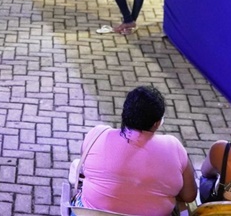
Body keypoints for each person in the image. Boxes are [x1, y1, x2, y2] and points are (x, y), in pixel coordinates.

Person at [75, 85, 197, 215]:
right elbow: (189, 196)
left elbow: (85, 167)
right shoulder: (174, 147)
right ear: (156, 123)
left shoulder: (97, 135)